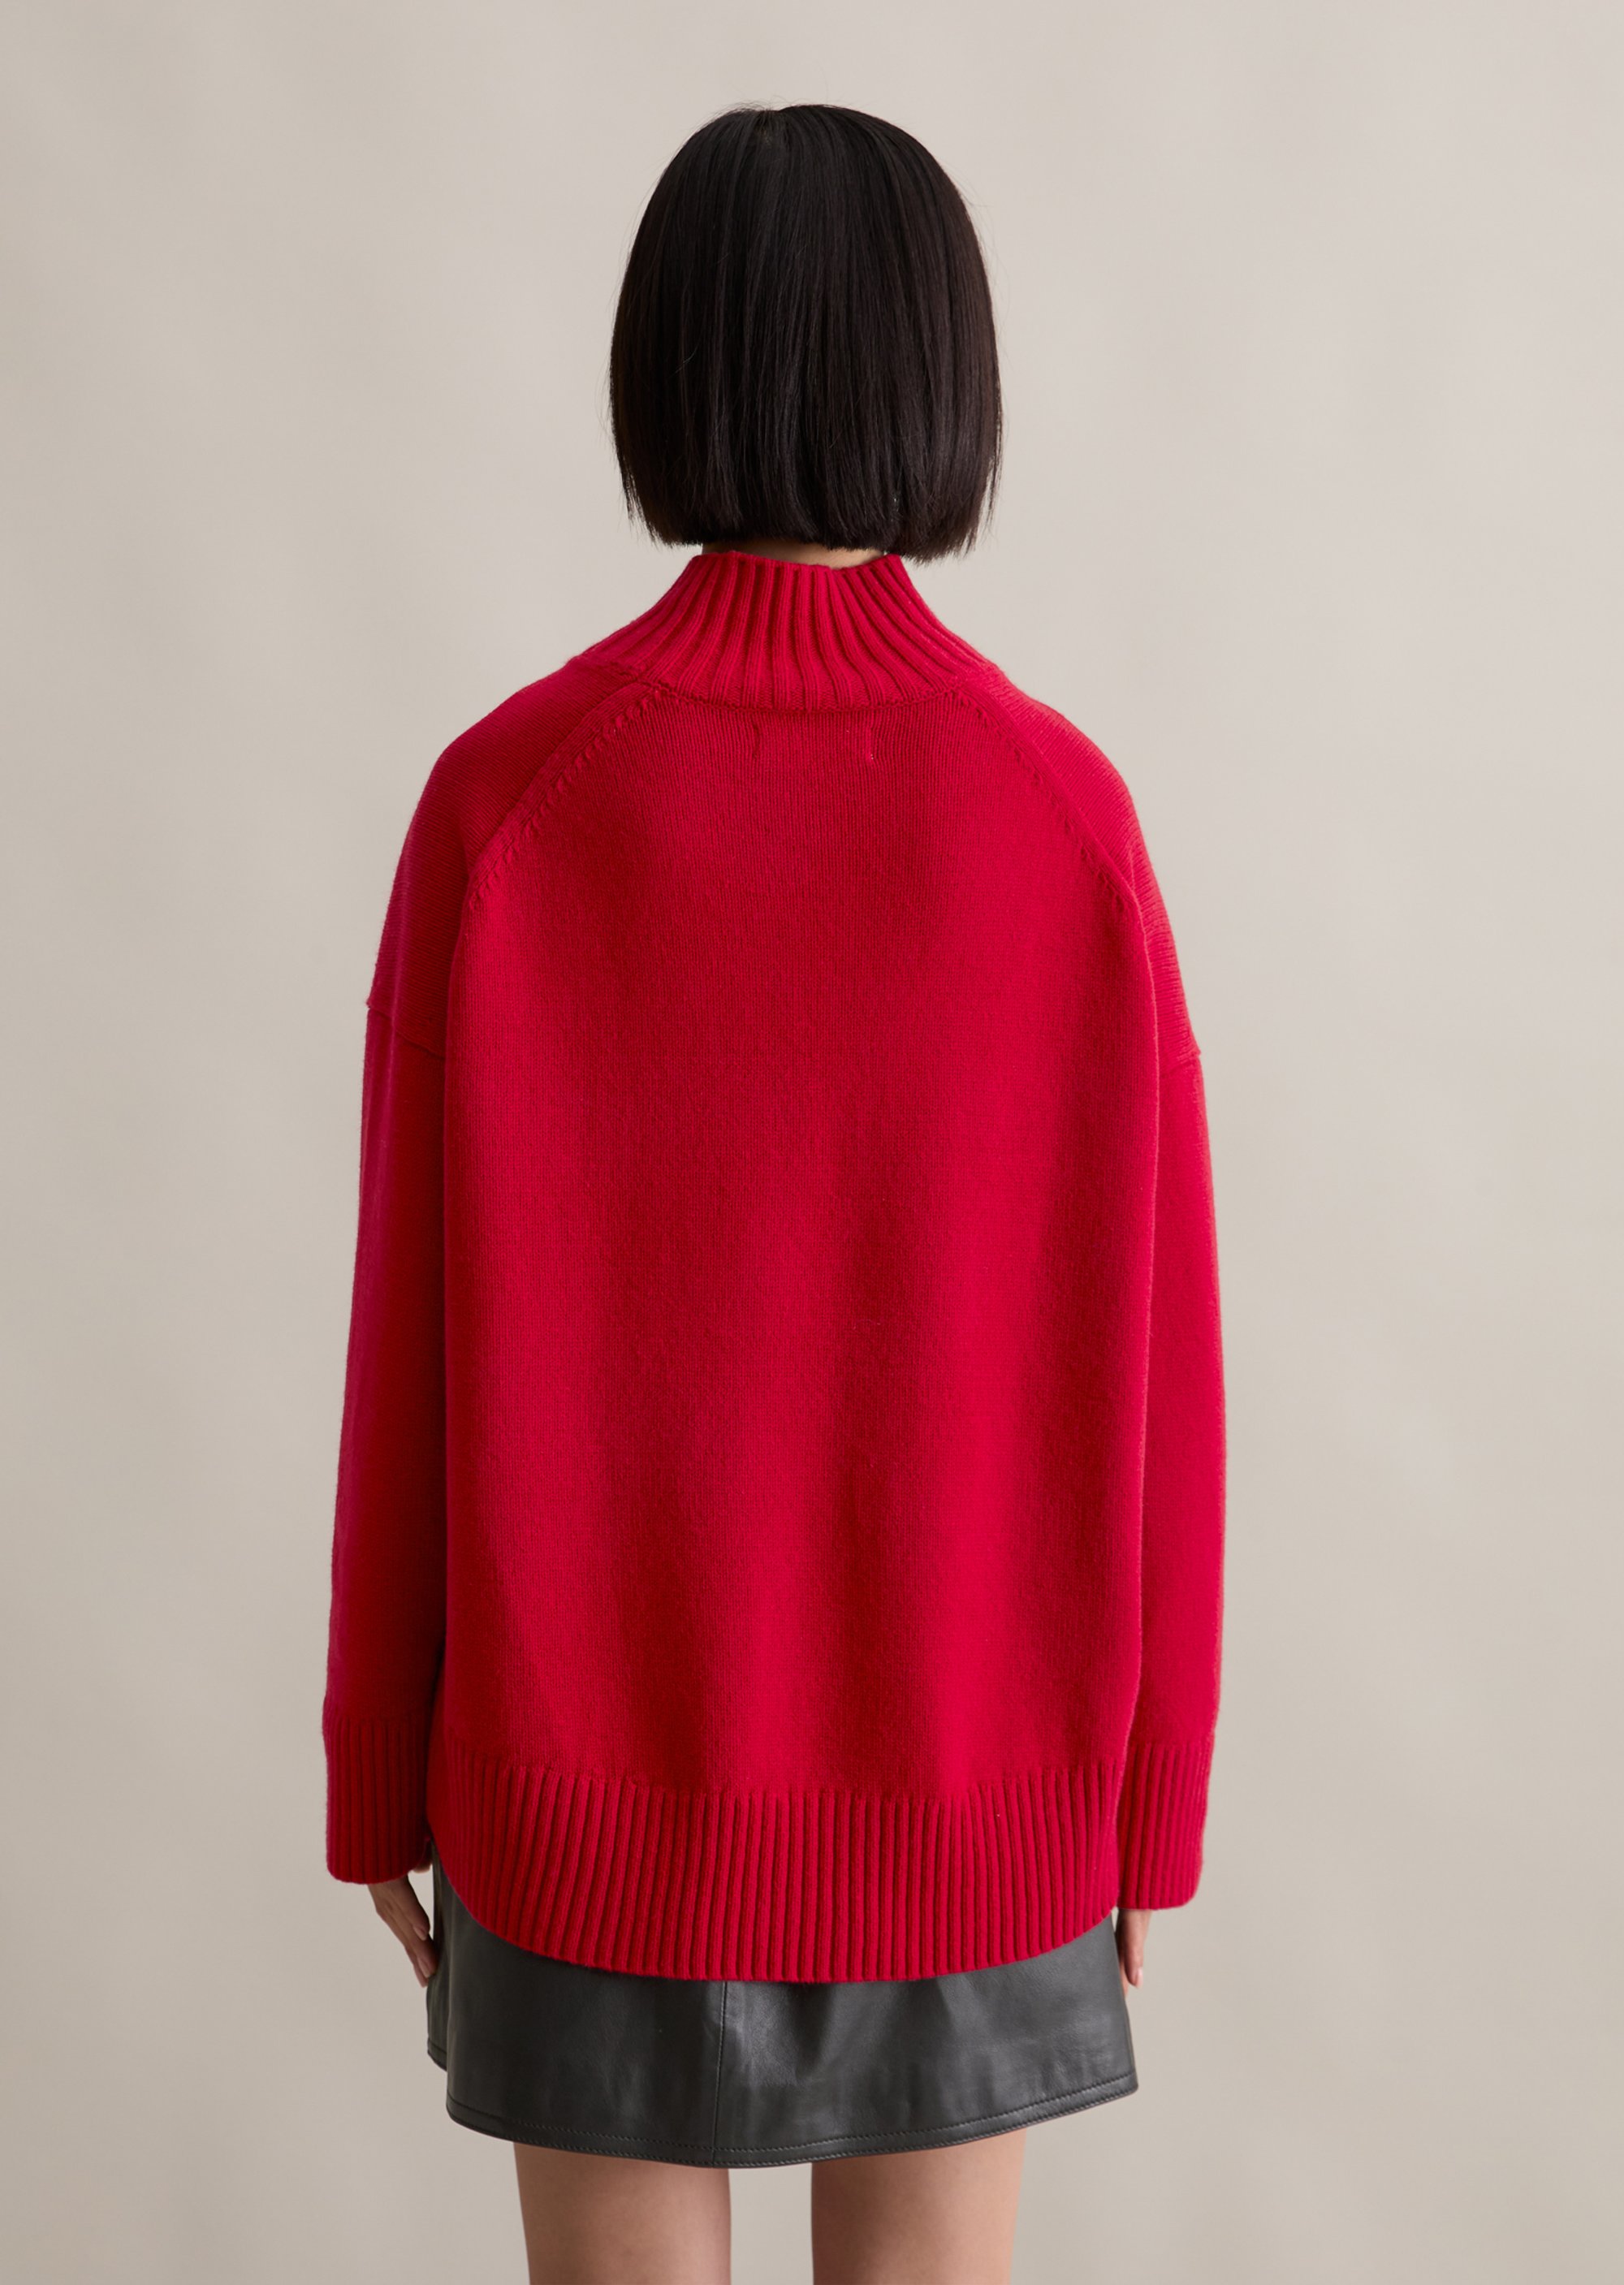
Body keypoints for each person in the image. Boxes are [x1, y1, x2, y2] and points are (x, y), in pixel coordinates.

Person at [322, 101, 1226, 2285]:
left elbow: (404, 1340)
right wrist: (1153, 1806)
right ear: (945, 376)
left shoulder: (509, 805)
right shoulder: (1061, 818)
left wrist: (374, 1768)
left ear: (666, 366)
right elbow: (1167, 1372)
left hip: (581, 1803)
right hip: (982, 1802)